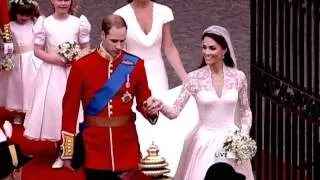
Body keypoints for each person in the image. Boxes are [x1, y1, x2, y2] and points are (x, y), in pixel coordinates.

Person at [148, 25, 254, 180]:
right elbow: (174, 112)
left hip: (231, 143)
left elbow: (246, 112)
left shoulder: (238, 77)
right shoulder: (194, 78)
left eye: (212, 48)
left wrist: (242, 136)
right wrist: (160, 105)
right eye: (204, 47)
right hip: (204, 143)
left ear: (224, 50)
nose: (207, 52)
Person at [60, 14, 159, 180]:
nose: (119, 46)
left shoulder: (136, 65)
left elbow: (144, 101)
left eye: (122, 41)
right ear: (102, 35)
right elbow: (69, 110)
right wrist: (67, 151)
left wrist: (151, 109)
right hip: (94, 146)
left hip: (126, 144)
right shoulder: (82, 66)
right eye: (114, 41)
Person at [114, 1, 194, 174]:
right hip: (131, 74)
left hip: (157, 73)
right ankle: (138, 166)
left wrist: (187, 80)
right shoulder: (121, 14)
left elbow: (169, 47)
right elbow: (121, 52)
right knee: (138, 119)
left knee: (159, 118)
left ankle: (160, 164)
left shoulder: (164, 12)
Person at [22, 0, 91, 169]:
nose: (62, 3)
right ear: (52, 1)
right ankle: (61, 150)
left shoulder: (78, 23)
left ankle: (73, 150)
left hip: (74, 72)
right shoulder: (45, 23)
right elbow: (37, 50)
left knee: (75, 111)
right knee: (56, 110)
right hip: (52, 72)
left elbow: (86, 46)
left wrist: (76, 58)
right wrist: (57, 59)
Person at [0, 0, 42, 125]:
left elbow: (44, 22)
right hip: (17, 60)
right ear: (14, 12)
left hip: (33, 59)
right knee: (17, 86)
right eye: (21, 14)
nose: (24, 17)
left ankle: (31, 112)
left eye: (27, 14)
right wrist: (6, 59)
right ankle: (18, 111)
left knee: (32, 85)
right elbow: (7, 44)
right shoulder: (10, 26)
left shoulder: (34, 23)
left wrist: (36, 8)